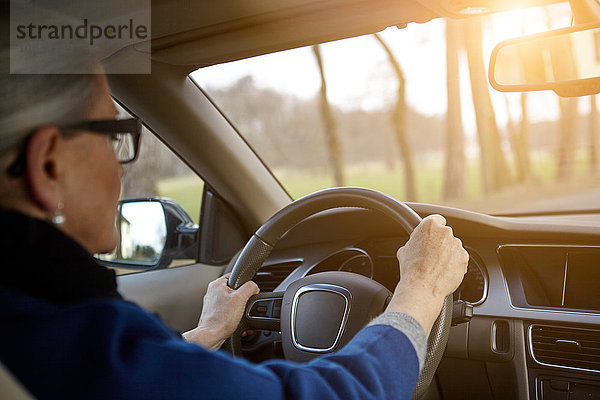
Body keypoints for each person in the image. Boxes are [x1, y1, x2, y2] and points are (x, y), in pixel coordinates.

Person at [0, 46, 469, 399]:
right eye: (113, 136)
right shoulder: (66, 335)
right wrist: (421, 290)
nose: (121, 166)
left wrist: (206, 334)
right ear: (48, 166)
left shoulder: (38, 327)